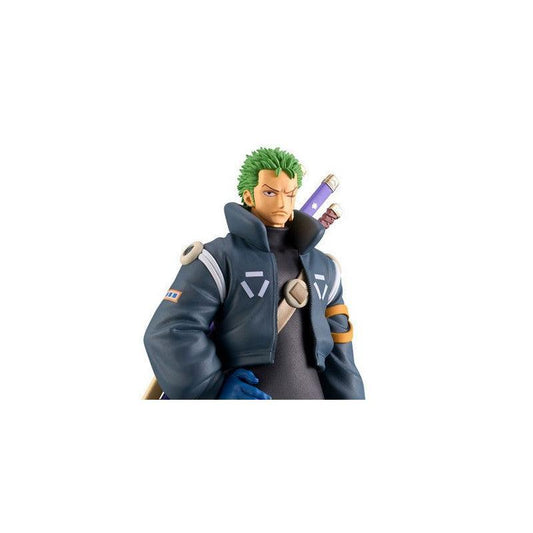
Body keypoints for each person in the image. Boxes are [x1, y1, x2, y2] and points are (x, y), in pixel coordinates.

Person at [144, 147, 365, 399]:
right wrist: (213, 387)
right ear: (249, 196)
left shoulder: (324, 267)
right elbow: (170, 331)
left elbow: (340, 356)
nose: (282, 203)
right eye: (270, 192)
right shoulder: (217, 259)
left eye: (290, 194)